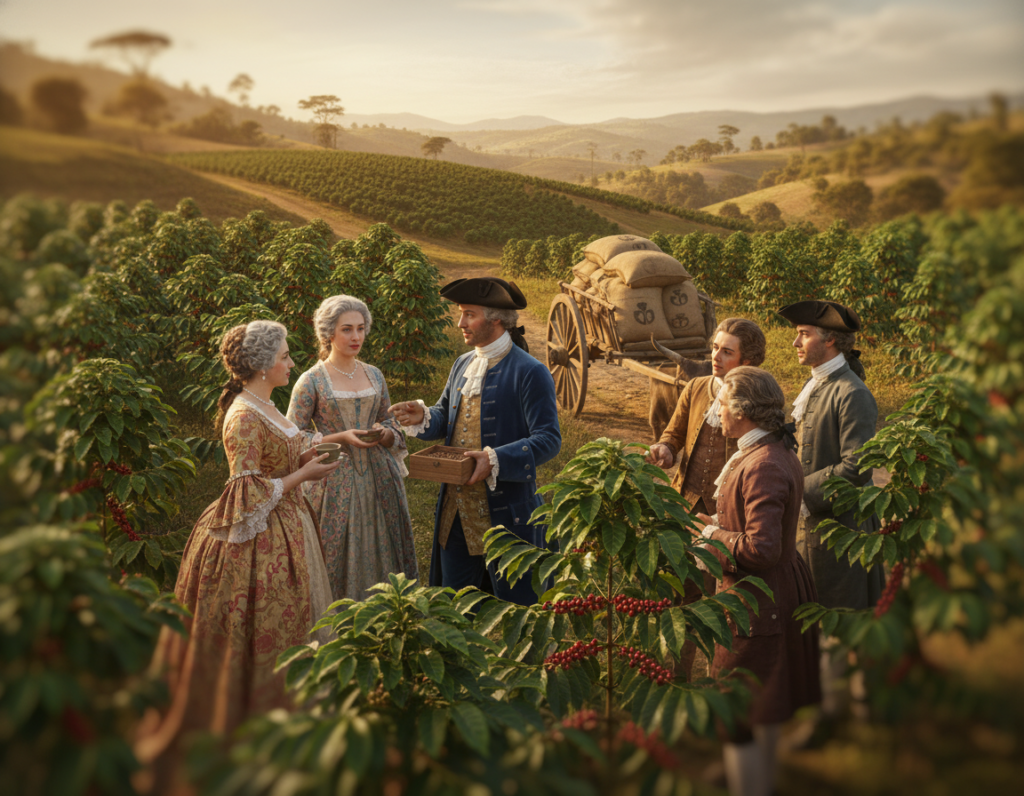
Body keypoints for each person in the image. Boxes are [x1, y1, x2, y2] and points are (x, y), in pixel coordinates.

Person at [136, 321, 337, 788]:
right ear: (265, 365)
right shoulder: (244, 415)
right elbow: (244, 491)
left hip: (287, 524)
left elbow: (290, 440)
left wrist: (330, 446)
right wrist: (301, 478)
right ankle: (249, 726)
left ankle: (291, 722)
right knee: (256, 630)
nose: (292, 362)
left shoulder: (262, 403)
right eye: (286, 356)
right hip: (255, 537)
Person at [390, 277, 560, 605]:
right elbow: (447, 415)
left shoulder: (530, 372)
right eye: (461, 314)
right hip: (456, 513)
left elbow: (548, 439)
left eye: (469, 314)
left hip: (507, 515)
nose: (460, 323)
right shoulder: (462, 363)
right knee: (452, 609)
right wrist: (423, 416)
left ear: (496, 319)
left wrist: (494, 458)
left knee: (518, 611)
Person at [694, 366, 820, 796]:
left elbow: (761, 548)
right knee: (764, 705)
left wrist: (715, 535)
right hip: (775, 591)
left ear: (744, 411)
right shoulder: (768, 449)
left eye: (724, 404)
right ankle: (760, 782)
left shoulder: (763, 464)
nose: (718, 413)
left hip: (756, 602)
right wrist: (722, 523)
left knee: (739, 713)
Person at [779, 300, 884, 721]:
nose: (795, 341)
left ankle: (836, 713)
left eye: (804, 333)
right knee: (816, 618)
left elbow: (858, 466)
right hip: (811, 529)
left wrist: (797, 491)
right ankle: (834, 705)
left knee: (837, 621)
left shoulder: (852, 393)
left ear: (831, 340)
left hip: (840, 531)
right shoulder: (817, 385)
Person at [646, 318, 766, 680]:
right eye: (714, 347)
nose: (715, 356)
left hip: (731, 521)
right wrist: (665, 450)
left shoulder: (758, 397)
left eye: (726, 351)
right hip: (686, 509)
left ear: (748, 361)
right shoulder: (697, 387)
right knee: (681, 598)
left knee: (727, 603)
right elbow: (673, 433)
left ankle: (724, 682)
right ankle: (675, 676)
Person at [286, 295, 419, 601]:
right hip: (333, 482)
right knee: (333, 552)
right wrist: (342, 437)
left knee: (387, 550)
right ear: (328, 333)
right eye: (347, 329)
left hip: (381, 479)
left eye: (360, 328)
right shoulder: (311, 381)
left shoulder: (374, 374)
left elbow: (391, 422)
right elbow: (294, 438)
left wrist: (385, 433)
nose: (356, 336)